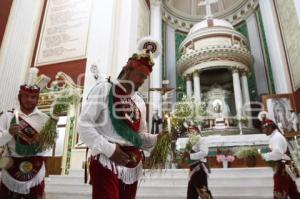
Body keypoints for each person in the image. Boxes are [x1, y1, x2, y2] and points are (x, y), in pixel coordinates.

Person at [77, 37, 162, 199]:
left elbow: (139, 137)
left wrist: (159, 138)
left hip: (132, 164)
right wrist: (109, 149)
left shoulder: (138, 101)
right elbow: (84, 125)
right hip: (106, 160)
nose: (142, 81)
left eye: (145, 78)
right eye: (140, 75)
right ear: (127, 69)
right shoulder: (104, 89)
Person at [0, 68, 52, 199]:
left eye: (33, 97)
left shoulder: (45, 119)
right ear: (20, 96)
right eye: (26, 96)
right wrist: (9, 133)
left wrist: (38, 144)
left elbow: (49, 146)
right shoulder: (7, 116)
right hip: (11, 167)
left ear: (37, 98)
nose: (29, 99)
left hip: (36, 170)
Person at [261, 119, 300, 199]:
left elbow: (278, 153)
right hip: (284, 166)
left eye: (264, 128)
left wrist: (265, 156)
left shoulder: (276, 137)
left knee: (279, 189)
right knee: (292, 190)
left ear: (270, 127)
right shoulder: (275, 136)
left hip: (281, 167)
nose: (263, 130)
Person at [185, 135, 213, 199]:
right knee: (191, 194)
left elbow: (204, 152)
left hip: (200, 169)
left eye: (193, 129)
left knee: (203, 193)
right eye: (189, 130)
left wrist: (190, 156)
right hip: (192, 170)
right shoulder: (189, 142)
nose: (190, 132)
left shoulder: (201, 140)